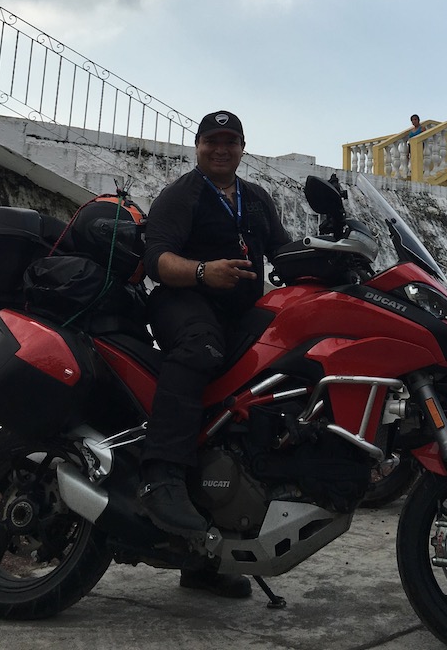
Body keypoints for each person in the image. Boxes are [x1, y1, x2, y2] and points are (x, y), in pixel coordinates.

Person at [139, 110, 290, 596]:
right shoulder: (182, 195)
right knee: (200, 349)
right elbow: (156, 259)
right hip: (184, 303)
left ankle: (207, 557)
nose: (221, 149)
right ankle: (161, 476)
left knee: (266, 384)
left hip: (240, 314)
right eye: (212, 141)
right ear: (198, 146)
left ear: (243, 147)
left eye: (230, 141)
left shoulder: (257, 199)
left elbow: (284, 253)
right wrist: (204, 272)